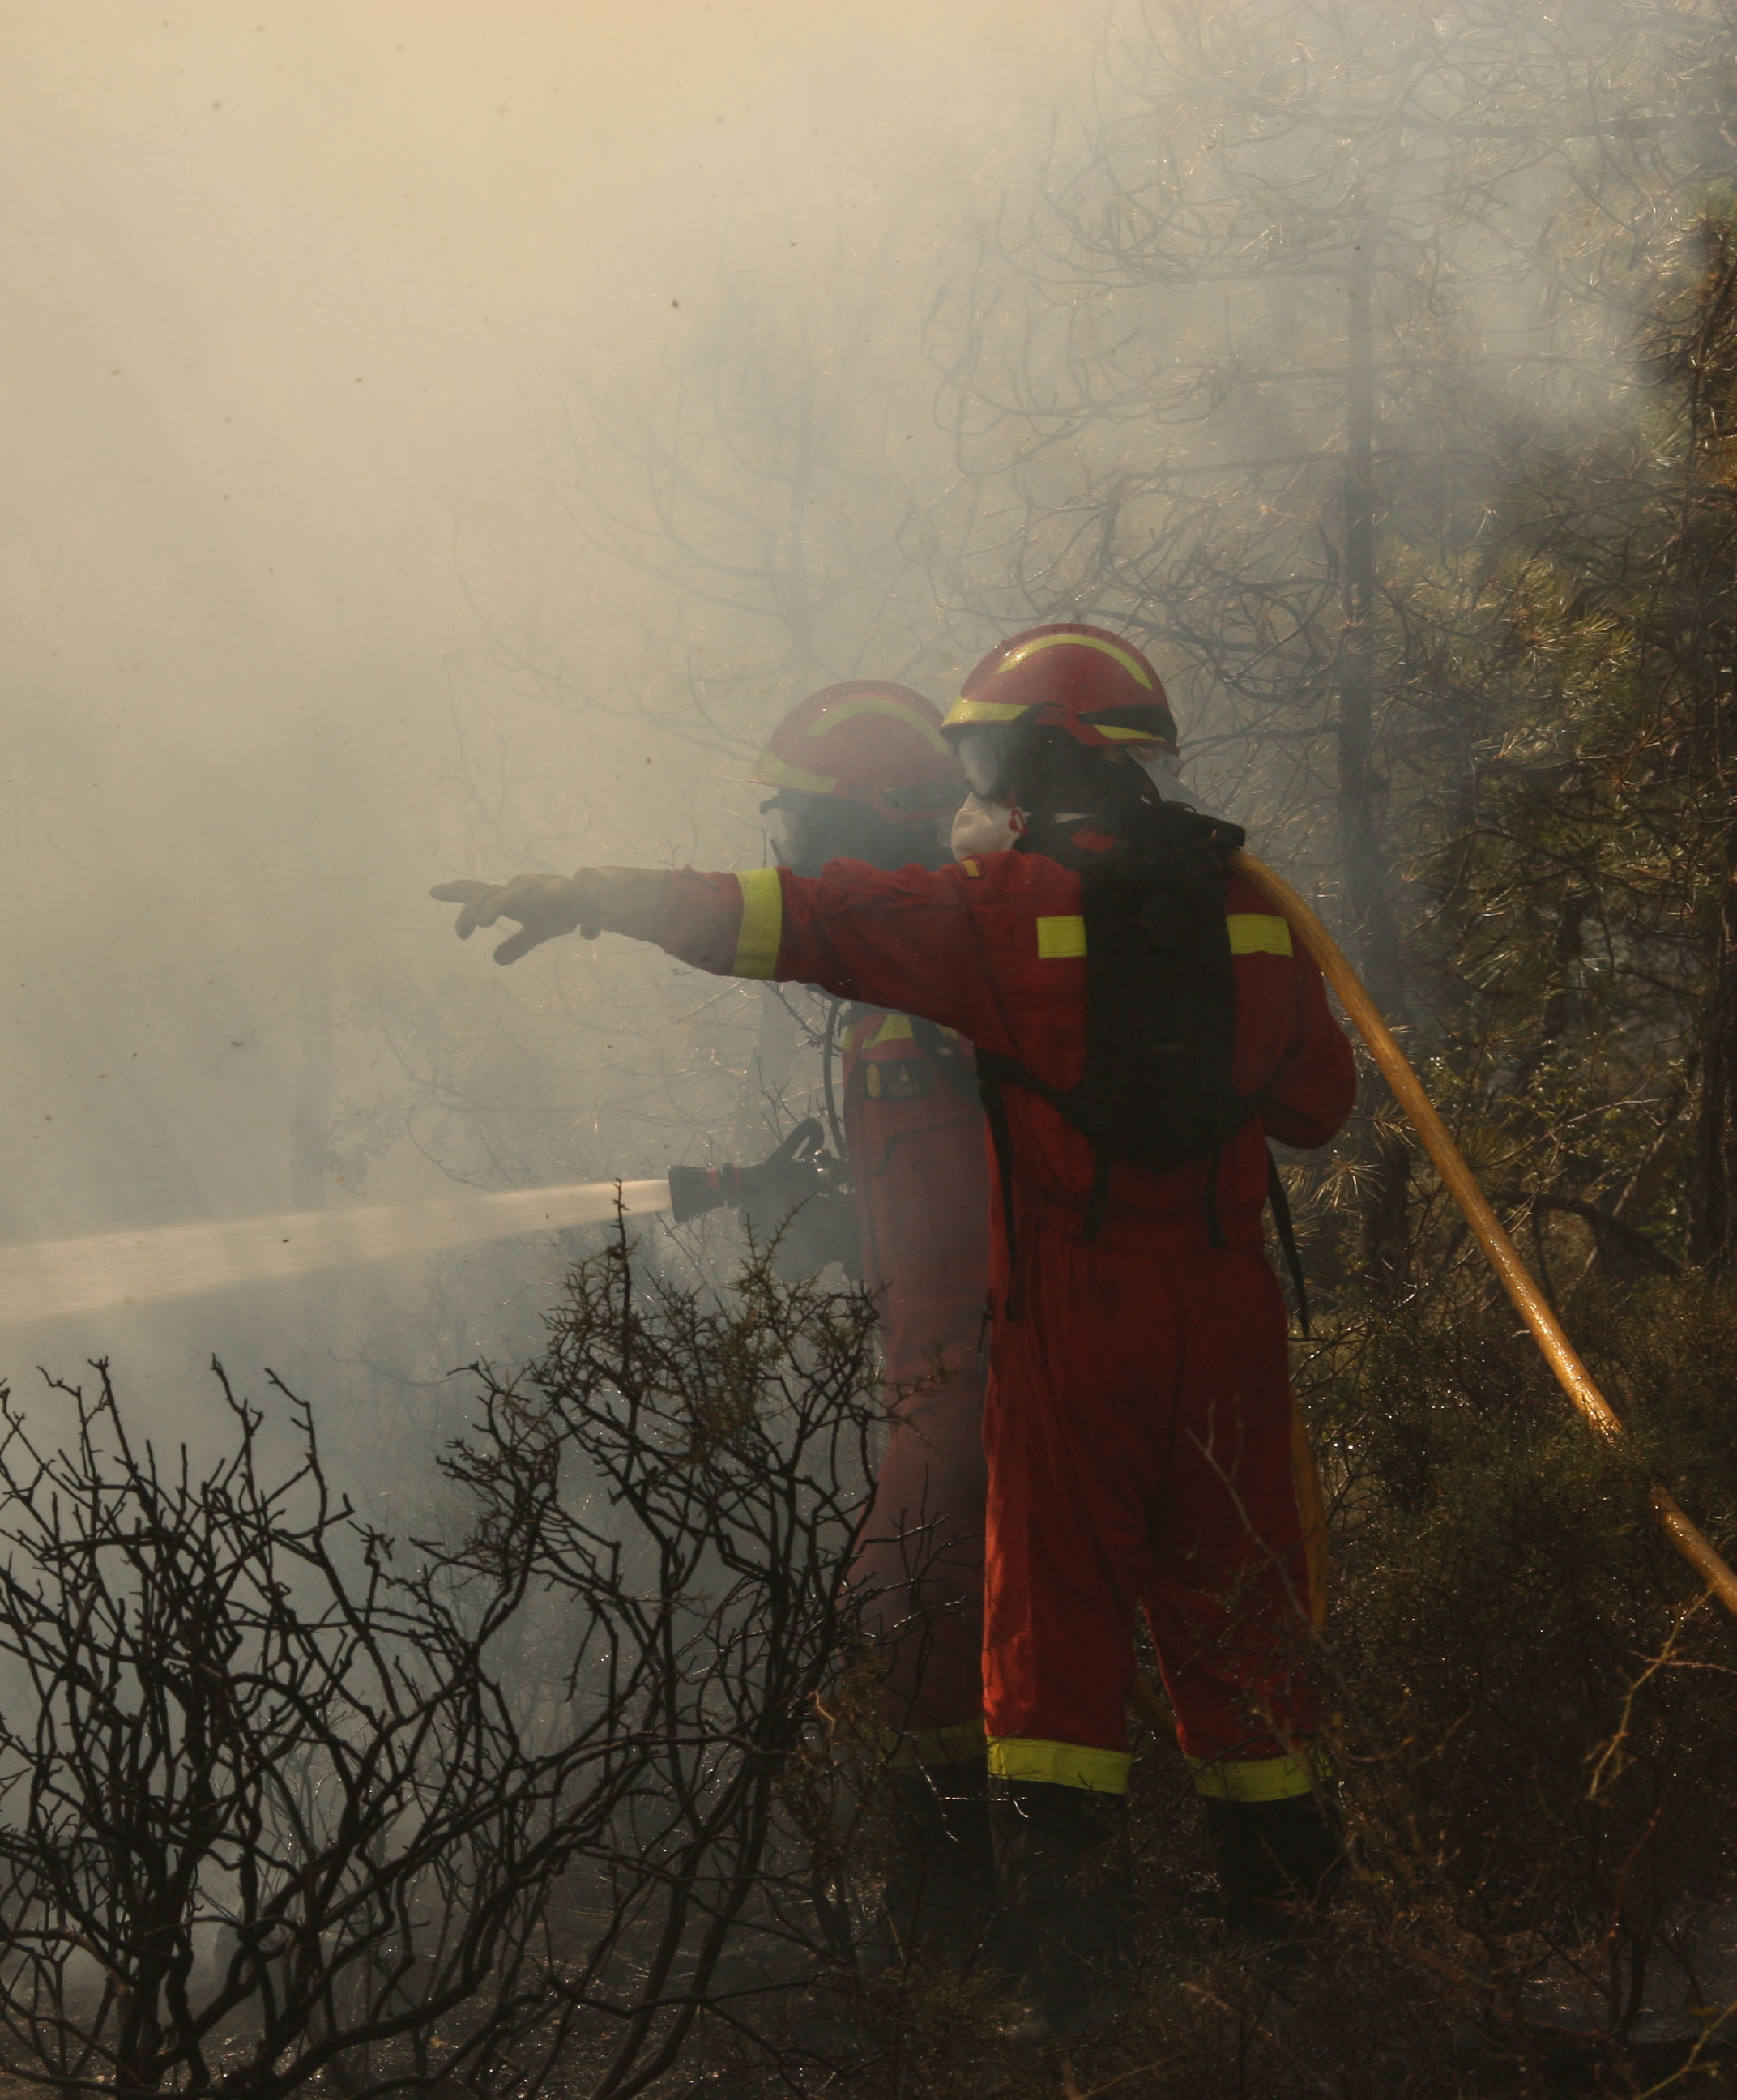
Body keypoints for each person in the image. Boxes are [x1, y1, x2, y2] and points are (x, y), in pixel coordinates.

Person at [433, 625, 1356, 2034]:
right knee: (1244, 1639)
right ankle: (1300, 1988)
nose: (978, 789)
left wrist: (599, 896)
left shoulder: (999, 915)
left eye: (988, 759)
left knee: (1044, 1654)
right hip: (1227, 1324)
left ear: (1041, 757)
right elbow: (1319, 1108)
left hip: (1066, 1321)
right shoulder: (1259, 913)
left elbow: (795, 922)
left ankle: (1066, 2006)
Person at [734, 681, 997, 1960]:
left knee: (913, 1610)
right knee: (920, 1613)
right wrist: (829, 1222)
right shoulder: (892, 982)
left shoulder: (953, 964)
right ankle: (966, 1929)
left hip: (991, 1360)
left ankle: (962, 1933)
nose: (787, 852)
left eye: (802, 822)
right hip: (942, 1356)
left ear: (874, 820)